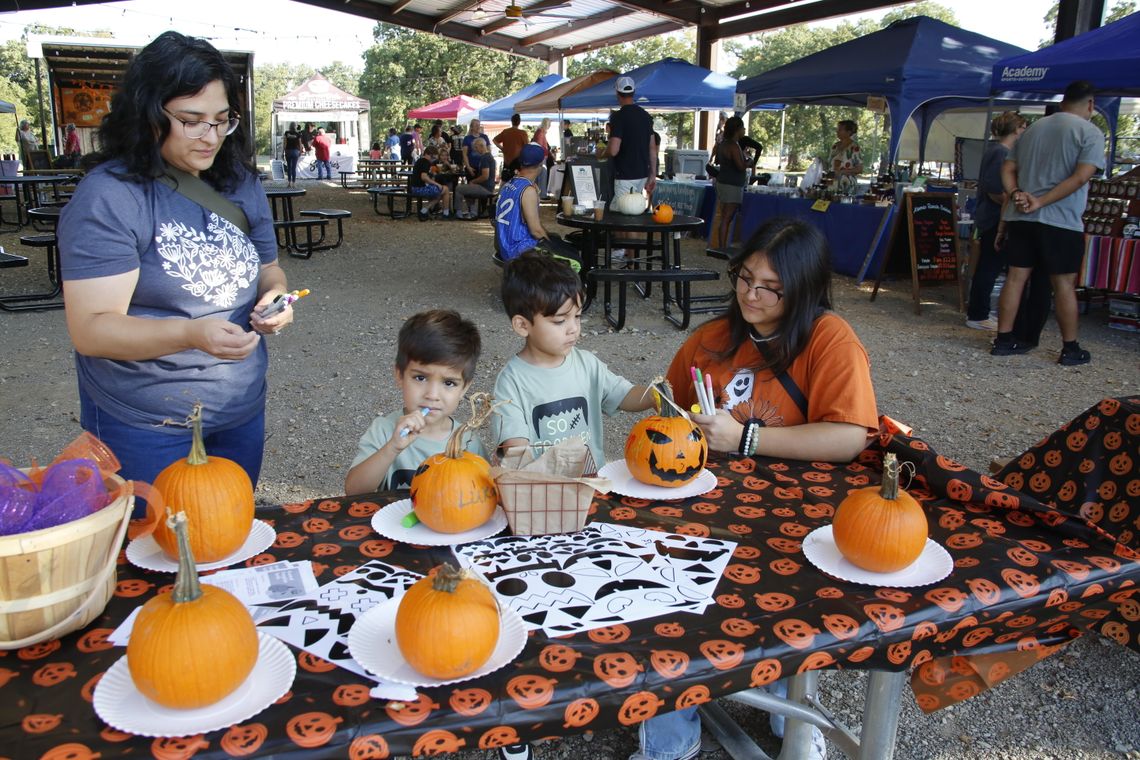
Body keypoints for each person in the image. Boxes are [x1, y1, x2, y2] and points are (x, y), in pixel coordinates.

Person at [638, 218, 879, 760]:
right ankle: (673, 726)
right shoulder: (712, 339)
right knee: (668, 595)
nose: (750, 294)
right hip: (701, 501)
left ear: (806, 290)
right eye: (744, 277)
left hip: (794, 511)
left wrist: (746, 437)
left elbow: (848, 436)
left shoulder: (828, 338)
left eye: (771, 287)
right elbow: (668, 407)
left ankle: (785, 702)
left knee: (785, 608)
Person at [57, 31, 289, 497]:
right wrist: (190, 334)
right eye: (191, 121)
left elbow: (269, 266)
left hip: (239, 406)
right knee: (154, 555)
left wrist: (276, 299)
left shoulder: (239, 182)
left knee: (227, 538)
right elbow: (93, 330)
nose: (212, 137)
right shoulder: (112, 197)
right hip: (144, 421)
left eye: (223, 121)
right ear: (148, 116)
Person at [493, 252, 656, 468]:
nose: (573, 329)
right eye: (560, 321)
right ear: (523, 325)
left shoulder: (587, 364)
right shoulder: (512, 382)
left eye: (577, 316)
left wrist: (655, 395)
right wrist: (518, 456)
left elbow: (623, 394)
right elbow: (515, 446)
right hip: (542, 492)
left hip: (591, 485)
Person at [992, 80, 1104, 366]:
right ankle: (1070, 348)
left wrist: (1016, 194)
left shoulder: (1031, 130)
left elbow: (1008, 167)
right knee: (1064, 284)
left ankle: (1003, 340)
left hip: (1022, 218)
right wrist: (1042, 201)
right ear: (1090, 104)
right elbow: (1081, 177)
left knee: (1016, 278)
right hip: (1061, 220)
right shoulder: (1090, 132)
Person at [345, 310, 486, 494]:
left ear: (465, 388)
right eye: (420, 378)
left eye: (449, 383)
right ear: (399, 375)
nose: (432, 394)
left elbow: (483, 498)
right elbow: (354, 491)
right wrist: (392, 448)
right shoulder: (384, 431)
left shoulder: (468, 442)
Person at [965, 111, 1027, 331]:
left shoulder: (998, 151)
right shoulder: (1000, 153)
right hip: (993, 217)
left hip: (992, 216)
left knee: (989, 265)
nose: (1023, 132)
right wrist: (1014, 200)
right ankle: (978, 313)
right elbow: (994, 190)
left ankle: (979, 311)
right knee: (989, 266)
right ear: (1014, 129)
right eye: (1022, 128)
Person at [494, 143, 580, 269]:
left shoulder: (510, 183)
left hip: (505, 244)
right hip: (520, 250)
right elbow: (535, 230)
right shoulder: (528, 190)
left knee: (559, 242)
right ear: (540, 165)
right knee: (576, 260)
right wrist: (551, 245)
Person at [607, 76, 657, 263]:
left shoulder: (618, 117)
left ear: (618, 94)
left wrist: (602, 151)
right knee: (632, 213)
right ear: (633, 93)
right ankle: (630, 256)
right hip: (642, 173)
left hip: (624, 173)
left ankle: (627, 256)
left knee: (623, 216)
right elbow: (652, 148)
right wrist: (653, 174)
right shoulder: (645, 116)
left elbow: (614, 149)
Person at [713, 116, 748, 250]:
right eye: (743, 128)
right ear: (737, 129)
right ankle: (722, 247)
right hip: (731, 185)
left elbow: (718, 161)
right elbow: (740, 166)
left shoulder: (723, 144)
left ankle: (721, 245)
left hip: (724, 182)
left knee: (725, 216)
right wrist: (748, 162)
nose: (744, 131)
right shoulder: (733, 145)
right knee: (727, 217)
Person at [454, 137, 496, 219]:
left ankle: (459, 212)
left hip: (485, 188)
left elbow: (485, 176)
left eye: (476, 148)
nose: (475, 150)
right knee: (466, 189)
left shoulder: (485, 158)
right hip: (488, 187)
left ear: (481, 146)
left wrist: (473, 181)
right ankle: (472, 211)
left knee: (458, 189)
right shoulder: (489, 157)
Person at [411, 145, 452, 221]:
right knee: (445, 189)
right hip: (420, 189)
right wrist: (436, 184)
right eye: (434, 157)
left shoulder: (420, 161)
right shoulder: (426, 162)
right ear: (430, 155)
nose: (434, 159)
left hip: (415, 188)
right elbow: (424, 177)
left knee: (441, 191)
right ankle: (446, 214)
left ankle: (424, 211)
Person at [830, 119, 862, 196]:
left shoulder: (854, 147)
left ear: (848, 132)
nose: (837, 131)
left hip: (848, 186)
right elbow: (830, 165)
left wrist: (842, 172)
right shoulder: (835, 146)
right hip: (833, 185)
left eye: (840, 129)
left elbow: (859, 169)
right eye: (837, 129)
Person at [493, 113, 529, 181]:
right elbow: (526, 147)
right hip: (518, 161)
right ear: (519, 122)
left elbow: (494, 140)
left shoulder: (506, 132)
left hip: (507, 160)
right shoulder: (522, 133)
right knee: (517, 180)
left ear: (511, 121)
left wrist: (502, 148)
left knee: (506, 179)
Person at [282, 122, 302, 188]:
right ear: (295, 126)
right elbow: (300, 144)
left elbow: (285, 143)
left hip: (288, 151)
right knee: (294, 167)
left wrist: (283, 151)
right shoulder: (298, 134)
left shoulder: (286, 133)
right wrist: (300, 151)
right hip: (295, 151)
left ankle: (289, 182)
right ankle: (294, 183)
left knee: (289, 167)